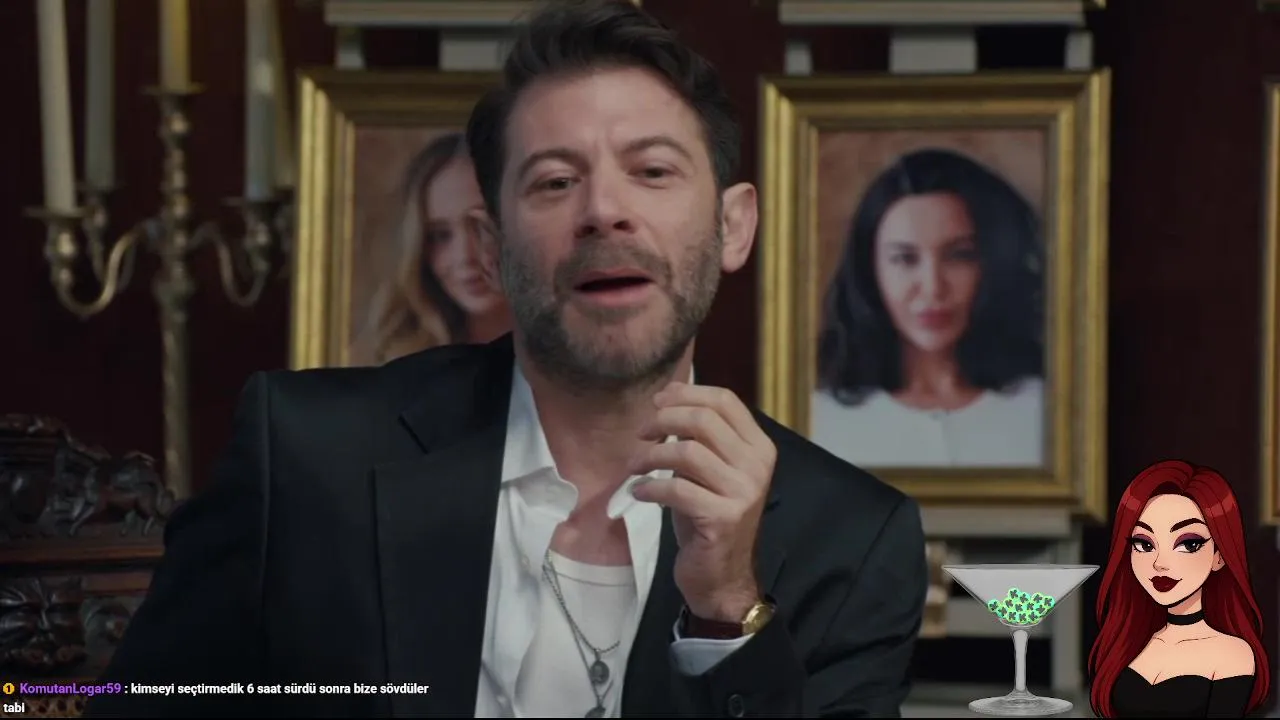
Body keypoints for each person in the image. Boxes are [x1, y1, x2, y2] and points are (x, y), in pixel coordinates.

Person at [83, 1, 927, 717]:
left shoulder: (852, 542)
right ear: (489, 249)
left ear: (733, 227)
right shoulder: (306, 454)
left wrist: (726, 611)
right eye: (555, 182)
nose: (604, 210)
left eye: (652, 171)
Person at [811, 147, 1044, 468]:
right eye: (905, 259)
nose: (933, 287)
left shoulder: (1046, 412)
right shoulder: (818, 423)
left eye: (959, 255)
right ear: (869, 270)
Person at [1088, 460, 1270, 718]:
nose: (1160, 564)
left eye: (1188, 544)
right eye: (1144, 544)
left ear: (1219, 555)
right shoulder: (1128, 641)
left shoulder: (1232, 653)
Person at [354, 132, 512, 365]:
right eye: (440, 235)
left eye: (482, 226)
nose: (465, 256)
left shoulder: (567, 354)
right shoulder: (401, 364)